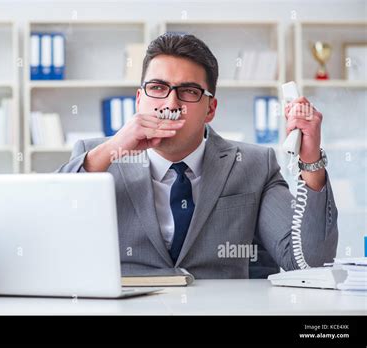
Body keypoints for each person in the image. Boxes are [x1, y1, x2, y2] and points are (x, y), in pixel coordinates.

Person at [56, 33, 338, 279]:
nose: (170, 104)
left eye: (188, 92)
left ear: (211, 108)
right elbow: (54, 233)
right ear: (139, 99)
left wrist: (311, 160)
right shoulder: (96, 158)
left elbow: (309, 261)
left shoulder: (254, 165)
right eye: (157, 88)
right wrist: (110, 150)